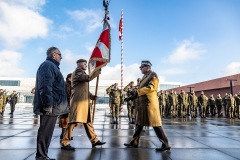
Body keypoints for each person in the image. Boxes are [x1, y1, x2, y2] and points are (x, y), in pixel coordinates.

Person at [124, 60, 170, 151]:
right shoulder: (144, 77)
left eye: (142, 67)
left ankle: (166, 144)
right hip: (142, 105)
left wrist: (137, 92)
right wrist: (131, 97)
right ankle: (134, 142)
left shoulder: (153, 75)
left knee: (156, 124)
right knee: (139, 124)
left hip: (149, 105)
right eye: (140, 67)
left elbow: (151, 88)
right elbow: (139, 91)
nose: (140, 68)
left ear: (147, 67)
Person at [61, 59, 106, 150]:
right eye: (84, 64)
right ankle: (65, 143)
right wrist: (96, 72)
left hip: (84, 103)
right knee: (73, 122)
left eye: (86, 64)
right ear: (79, 64)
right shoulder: (78, 71)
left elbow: (84, 90)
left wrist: (92, 96)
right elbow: (87, 78)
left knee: (88, 122)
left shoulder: (82, 73)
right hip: (78, 103)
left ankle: (94, 140)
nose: (86, 65)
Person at [34, 46, 69, 160]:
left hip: (53, 106)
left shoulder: (52, 66)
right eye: (60, 55)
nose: (61, 57)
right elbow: (45, 86)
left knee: (47, 133)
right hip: (50, 107)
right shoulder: (48, 65)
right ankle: (41, 156)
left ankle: (43, 155)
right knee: (45, 132)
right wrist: (48, 105)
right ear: (54, 55)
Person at [59, 73, 73, 139]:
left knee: (68, 121)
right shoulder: (67, 85)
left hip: (68, 105)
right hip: (66, 105)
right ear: (68, 78)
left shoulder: (71, 85)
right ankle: (64, 135)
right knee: (65, 120)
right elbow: (68, 95)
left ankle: (66, 135)